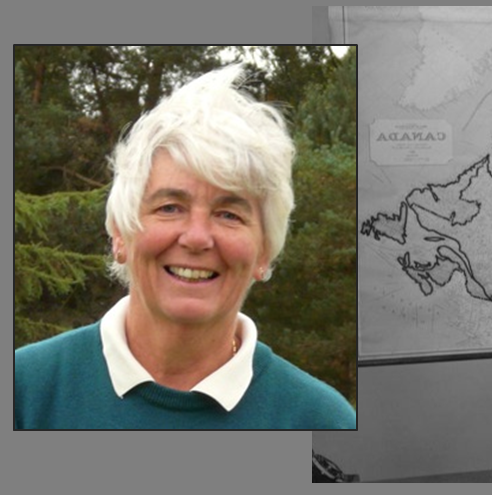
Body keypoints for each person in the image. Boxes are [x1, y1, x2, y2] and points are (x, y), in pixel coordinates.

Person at [15, 64, 357, 429]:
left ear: (264, 252)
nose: (196, 237)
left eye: (229, 214)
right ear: (119, 234)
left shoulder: (321, 422)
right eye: (169, 208)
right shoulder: (24, 392)